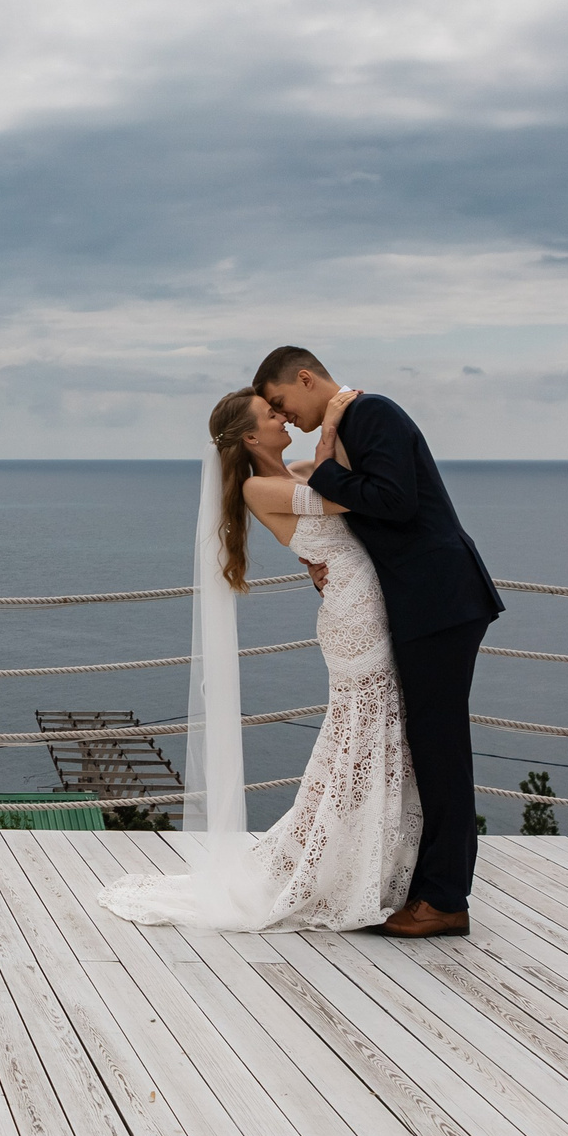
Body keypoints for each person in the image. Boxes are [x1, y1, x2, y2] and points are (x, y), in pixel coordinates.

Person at [100, 387, 421, 932]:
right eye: (271, 415)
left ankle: (369, 857)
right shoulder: (257, 486)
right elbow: (344, 499)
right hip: (352, 615)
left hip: (362, 599)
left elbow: (352, 485)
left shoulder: (297, 467)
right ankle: (346, 865)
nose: (281, 418)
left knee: (375, 731)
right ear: (250, 436)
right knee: (363, 731)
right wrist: (332, 422)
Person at [258, 346, 501, 939]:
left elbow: (395, 500)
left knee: (441, 749)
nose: (283, 416)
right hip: (423, 602)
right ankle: (430, 886)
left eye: (281, 402)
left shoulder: (374, 415)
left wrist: (321, 468)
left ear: (306, 377)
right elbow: (366, 514)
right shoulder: (355, 424)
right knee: (432, 745)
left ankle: (445, 900)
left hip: (439, 600)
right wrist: (319, 563)